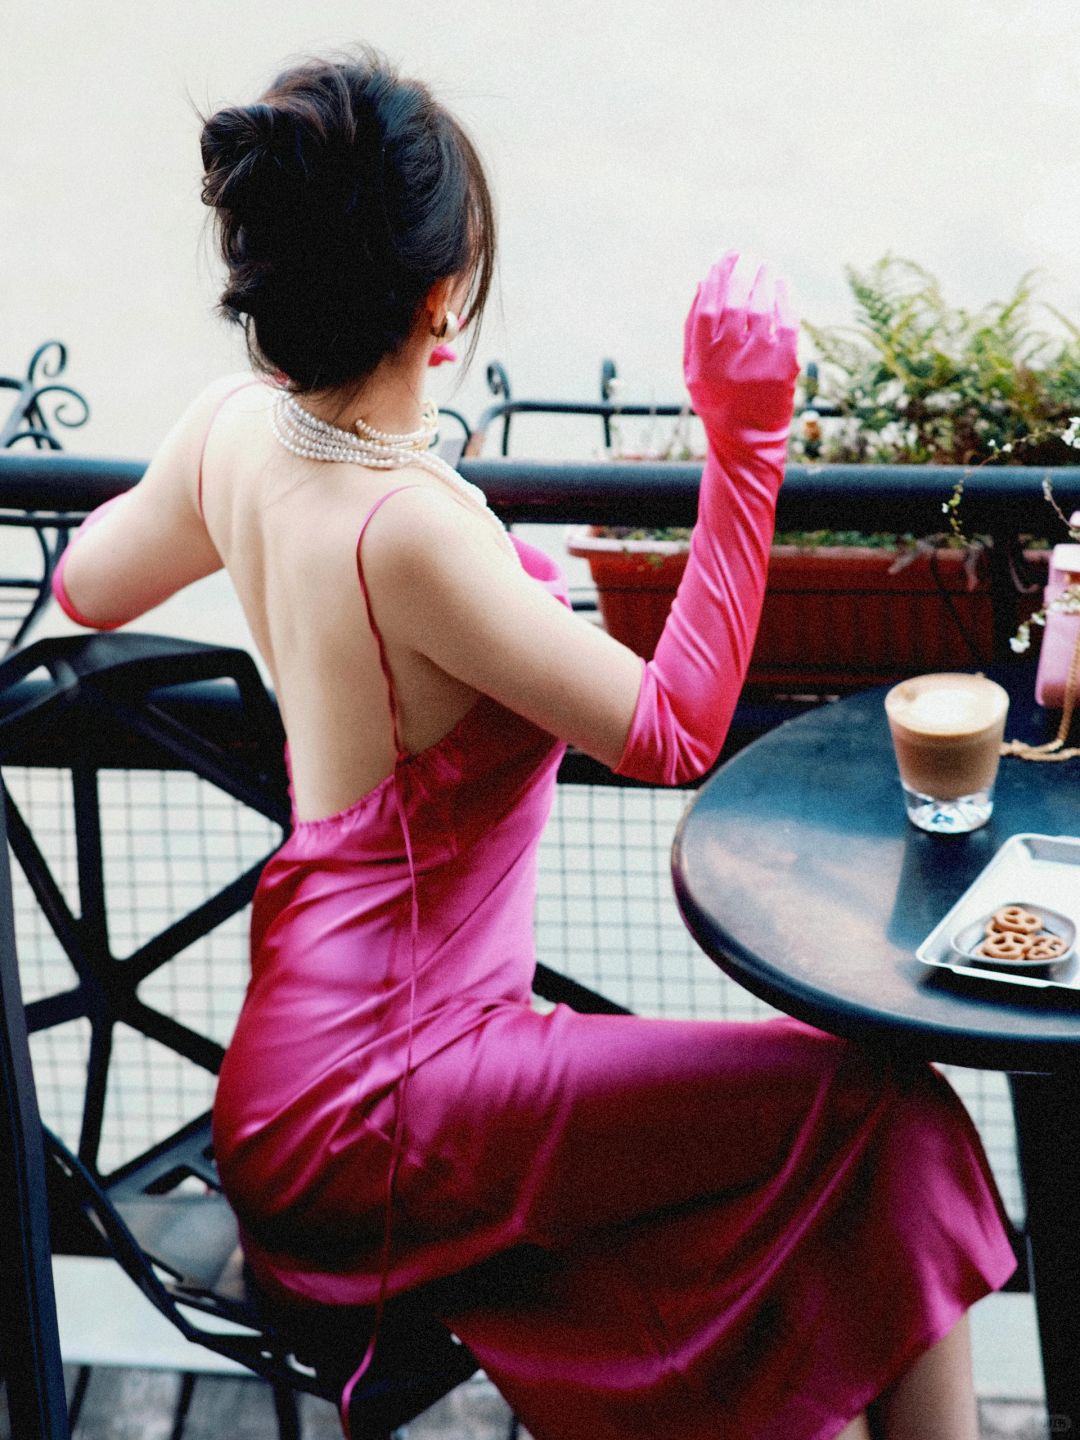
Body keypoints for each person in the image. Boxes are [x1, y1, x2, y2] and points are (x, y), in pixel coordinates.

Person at [52, 47, 1017, 1440]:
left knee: (814, 1152)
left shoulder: (232, 437)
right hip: (389, 1108)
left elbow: (86, 585)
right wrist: (746, 443)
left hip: (304, 1081)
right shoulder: (413, 533)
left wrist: (275, 522)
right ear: (441, 298)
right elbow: (673, 729)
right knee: (893, 1119)